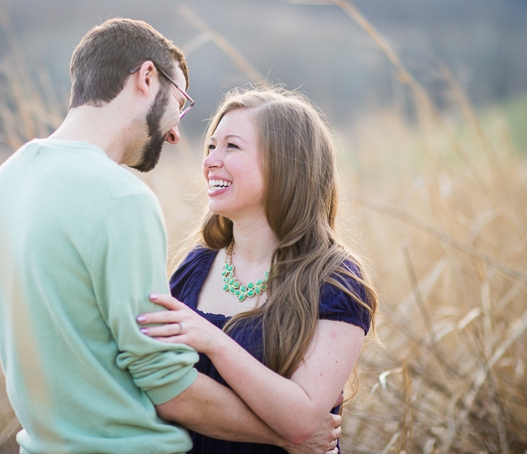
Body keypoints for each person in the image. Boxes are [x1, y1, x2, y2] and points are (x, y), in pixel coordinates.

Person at [0, 19, 341, 453]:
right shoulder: (120, 197)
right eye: (180, 103)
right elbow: (171, 388)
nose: (174, 132)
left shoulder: (3, 184)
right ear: (147, 79)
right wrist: (286, 435)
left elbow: (4, 336)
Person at [137, 86, 379, 453]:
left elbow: (302, 420)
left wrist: (214, 341)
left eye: (231, 146)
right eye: (211, 147)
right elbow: (159, 387)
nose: (210, 161)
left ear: (286, 164)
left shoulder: (335, 280)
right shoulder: (196, 266)